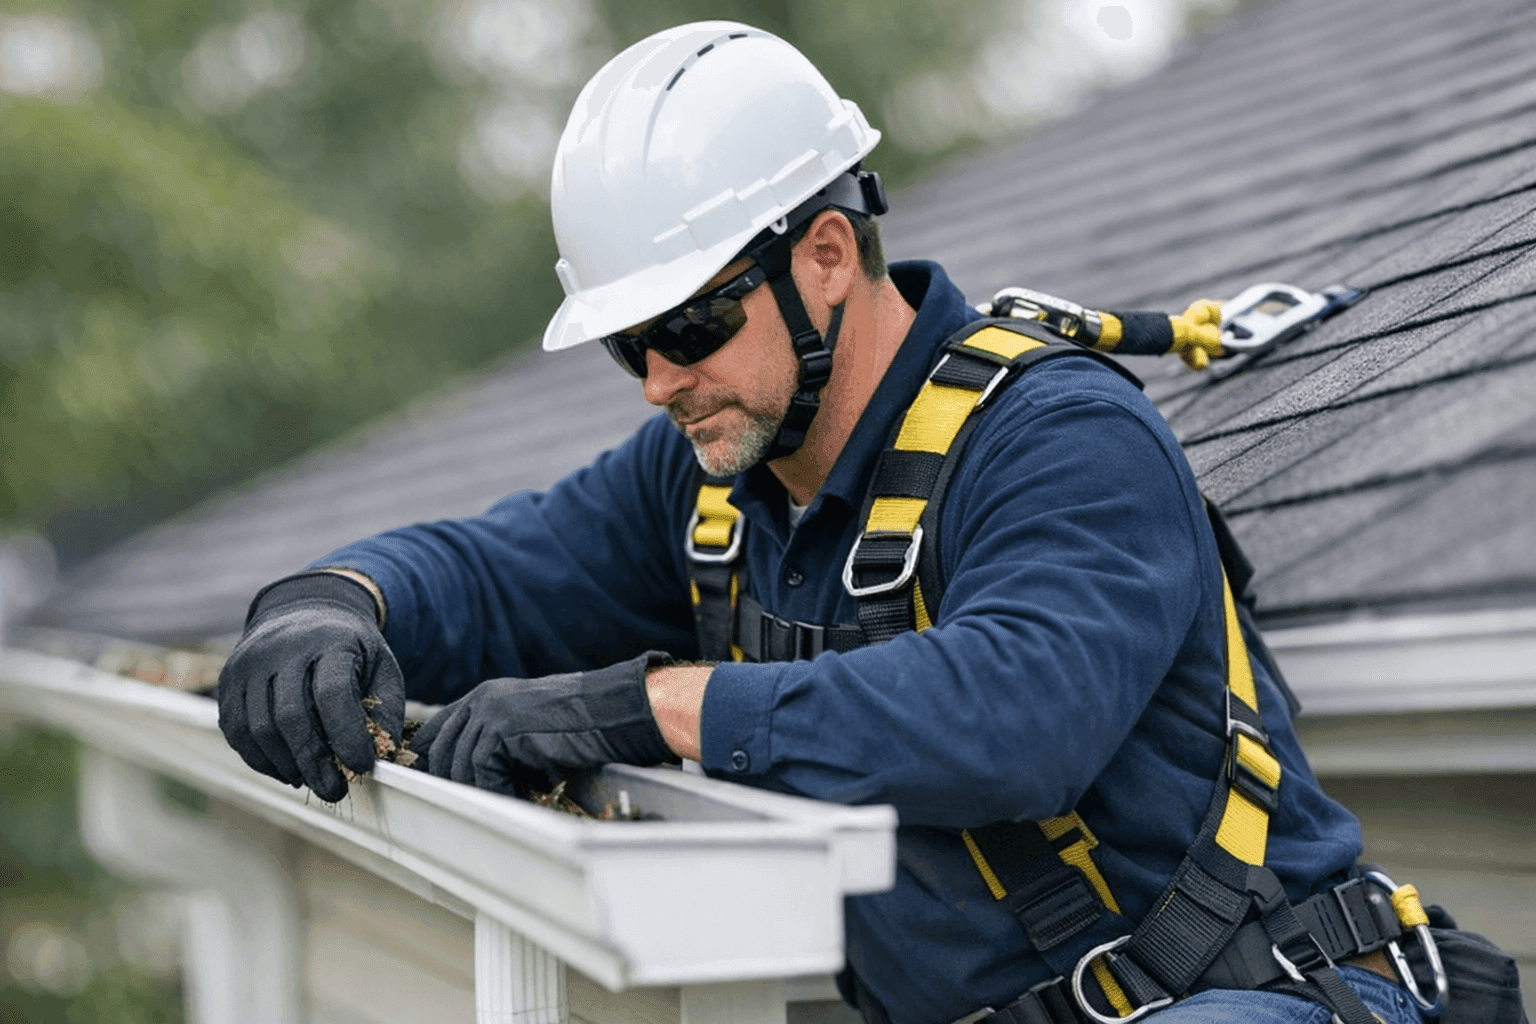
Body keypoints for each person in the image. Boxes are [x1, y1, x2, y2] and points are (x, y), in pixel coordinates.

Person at [216, 22, 1434, 1024]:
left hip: (1251, 995)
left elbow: (1014, 715)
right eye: (626, 345)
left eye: (687, 328)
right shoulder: (705, 476)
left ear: (830, 255)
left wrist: (644, 706)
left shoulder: (1057, 437)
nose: (657, 379)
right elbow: (488, 573)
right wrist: (326, 604)